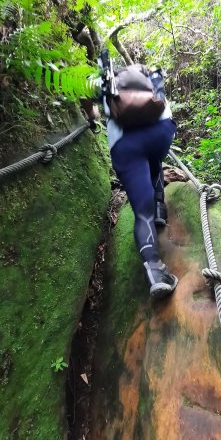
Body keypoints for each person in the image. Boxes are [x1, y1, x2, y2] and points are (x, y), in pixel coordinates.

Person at [82, 63, 178, 299]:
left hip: (125, 145)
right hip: (161, 133)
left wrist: (92, 115)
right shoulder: (149, 73)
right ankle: (159, 206)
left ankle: (156, 271)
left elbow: (83, 94)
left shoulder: (104, 80)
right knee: (154, 157)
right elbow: (162, 100)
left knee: (141, 213)